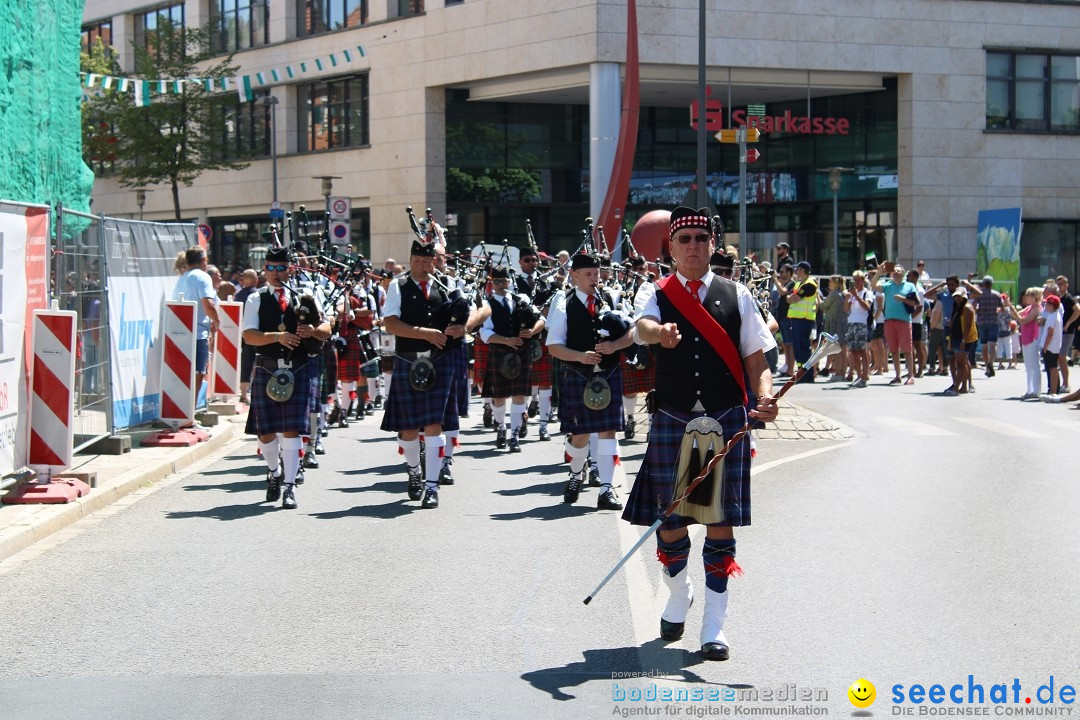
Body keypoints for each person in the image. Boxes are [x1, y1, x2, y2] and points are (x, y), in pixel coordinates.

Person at [623, 206, 778, 661]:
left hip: (725, 417)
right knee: (670, 526)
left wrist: (764, 398)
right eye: (684, 238)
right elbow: (642, 327)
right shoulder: (656, 292)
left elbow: (757, 361)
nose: (693, 245)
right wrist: (660, 334)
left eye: (700, 238)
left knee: (718, 523)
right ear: (670, 248)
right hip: (672, 420)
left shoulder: (738, 295)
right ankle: (677, 594)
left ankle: (714, 625)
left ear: (712, 244)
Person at [381, 238, 478, 509]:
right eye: (418, 261)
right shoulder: (397, 287)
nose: (423, 266)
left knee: (435, 425)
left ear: (434, 261)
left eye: (427, 261)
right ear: (411, 260)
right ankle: (414, 471)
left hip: (440, 361)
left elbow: (472, 314)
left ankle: (432, 486)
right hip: (409, 360)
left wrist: (463, 328)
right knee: (409, 428)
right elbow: (390, 324)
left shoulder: (446, 286)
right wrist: (423, 333)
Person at [242, 246, 331, 508]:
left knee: (292, 431)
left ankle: (290, 487)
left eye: (280, 268)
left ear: (290, 269)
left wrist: (313, 331)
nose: (275, 273)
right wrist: (278, 337)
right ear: (264, 269)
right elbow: (249, 336)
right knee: (266, 433)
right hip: (268, 366)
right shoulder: (255, 299)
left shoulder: (306, 296)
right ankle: (274, 472)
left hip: (299, 368)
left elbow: (327, 328)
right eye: (270, 267)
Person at [546, 252, 634, 511]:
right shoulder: (564, 304)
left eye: (596, 274)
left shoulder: (612, 298)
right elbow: (553, 346)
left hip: (608, 373)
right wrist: (580, 357)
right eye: (588, 274)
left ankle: (606, 489)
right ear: (574, 276)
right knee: (580, 436)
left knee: (608, 431)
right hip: (578, 374)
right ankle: (575, 474)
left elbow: (632, 332)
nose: (595, 279)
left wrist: (615, 345)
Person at [480, 266, 545, 452]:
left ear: (509, 281)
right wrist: (507, 341)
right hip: (499, 353)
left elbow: (541, 320)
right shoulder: (487, 305)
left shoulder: (521, 300)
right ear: (492, 283)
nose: (501, 285)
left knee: (519, 396)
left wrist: (532, 331)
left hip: (521, 353)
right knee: (499, 397)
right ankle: (501, 428)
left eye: (504, 281)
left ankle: (514, 436)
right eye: (497, 281)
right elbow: (485, 333)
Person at [173, 246, 220, 394]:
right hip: (198, 334)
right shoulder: (202, 276)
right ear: (203, 261)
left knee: (185, 375)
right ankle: (190, 413)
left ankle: (185, 412)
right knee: (198, 374)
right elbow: (208, 304)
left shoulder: (182, 278)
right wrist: (217, 322)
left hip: (180, 332)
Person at [873, 262, 918, 385]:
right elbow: (873, 285)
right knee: (893, 350)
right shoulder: (888, 285)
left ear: (903, 273)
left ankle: (910, 376)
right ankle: (898, 375)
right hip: (889, 321)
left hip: (904, 321)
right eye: (895, 270)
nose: (897, 272)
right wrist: (879, 272)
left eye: (899, 270)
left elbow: (915, 303)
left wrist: (902, 299)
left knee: (907, 350)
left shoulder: (910, 286)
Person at [784, 261, 818, 382]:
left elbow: (794, 298)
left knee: (804, 348)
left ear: (802, 270)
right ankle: (800, 373)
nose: (796, 271)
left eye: (797, 269)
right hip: (796, 319)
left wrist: (791, 298)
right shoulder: (799, 284)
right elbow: (789, 298)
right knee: (797, 348)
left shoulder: (809, 284)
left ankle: (807, 375)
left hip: (804, 319)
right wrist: (791, 298)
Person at [1008, 287, 1044, 399]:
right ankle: (1029, 390)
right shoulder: (1030, 307)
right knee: (1028, 365)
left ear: (1035, 297)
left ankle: (1036, 391)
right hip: (1026, 337)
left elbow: (1023, 320)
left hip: (1033, 337)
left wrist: (1014, 312)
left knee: (1034, 364)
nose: (1026, 297)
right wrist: (1009, 306)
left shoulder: (1037, 308)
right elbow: (1016, 315)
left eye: (1029, 295)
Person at [964, 275, 1003, 377]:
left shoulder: (979, 295)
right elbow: (1002, 309)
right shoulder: (997, 294)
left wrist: (978, 311)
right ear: (991, 284)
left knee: (984, 346)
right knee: (993, 345)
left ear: (984, 284)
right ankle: (991, 364)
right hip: (994, 321)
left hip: (982, 321)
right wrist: (996, 310)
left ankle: (987, 367)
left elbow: (973, 306)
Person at [943, 287, 977, 396]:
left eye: (960, 296)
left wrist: (964, 340)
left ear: (964, 297)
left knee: (960, 364)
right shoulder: (958, 307)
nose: (957, 298)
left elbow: (968, 326)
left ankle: (956, 388)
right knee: (961, 363)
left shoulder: (967, 308)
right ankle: (963, 387)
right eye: (956, 296)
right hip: (956, 337)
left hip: (964, 339)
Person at [844, 270, 874, 387]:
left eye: (857, 280)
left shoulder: (867, 293)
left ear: (862, 280)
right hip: (851, 323)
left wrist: (856, 295)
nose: (855, 282)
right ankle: (859, 375)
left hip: (861, 324)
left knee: (862, 351)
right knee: (853, 351)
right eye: (854, 280)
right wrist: (847, 298)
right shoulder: (852, 294)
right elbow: (846, 309)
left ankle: (865, 376)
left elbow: (867, 306)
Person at [1055, 276, 1079, 392]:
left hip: (1067, 332)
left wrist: (1069, 323)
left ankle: (1066, 384)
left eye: (1062, 284)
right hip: (1058, 331)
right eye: (1058, 284)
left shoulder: (1068, 298)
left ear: (1066, 285)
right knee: (1059, 358)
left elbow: (1078, 310)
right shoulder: (1057, 298)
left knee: (1062, 357)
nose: (1060, 286)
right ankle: (1062, 383)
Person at [1039, 294, 1063, 398]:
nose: (1045, 306)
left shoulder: (1052, 317)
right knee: (1052, 368)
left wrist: (1045, 346)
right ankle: (1054, 389)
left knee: (1052, 368)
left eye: (1047, 304)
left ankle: (1053, 391)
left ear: (1052, 305)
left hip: (1050, 347)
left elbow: (1050, 333)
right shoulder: (1055, 315)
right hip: (1054, 346)